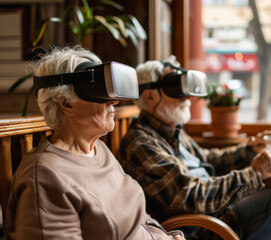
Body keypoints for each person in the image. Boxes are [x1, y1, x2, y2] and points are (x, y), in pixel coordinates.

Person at [118, 57, 271, 240]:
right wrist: (254, 174)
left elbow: (206, 159)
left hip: (218, 211)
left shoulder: (172, 131)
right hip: (205, 228)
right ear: (150, 97)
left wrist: (248, 150)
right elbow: (191, 196)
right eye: (175, 88)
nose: (187, 98)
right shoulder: (140, 142)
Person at [5, 46, 185, 240]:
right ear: (66, 103)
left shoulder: (98, 149)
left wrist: (171, 236)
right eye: (100, 90)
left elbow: (138, 216)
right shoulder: (44, 177)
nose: (114, 102)